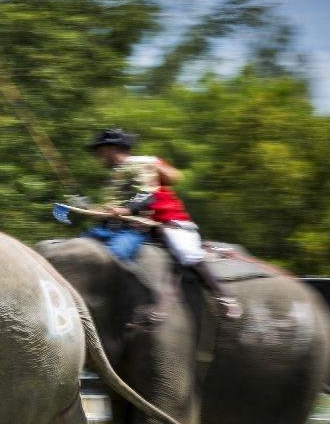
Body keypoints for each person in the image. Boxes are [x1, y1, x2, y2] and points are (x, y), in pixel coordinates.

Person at [87, 128, 241, 318]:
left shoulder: (143, 163)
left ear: (113, 148)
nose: (98, 156)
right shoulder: (116, 176)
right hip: (140, 226)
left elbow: (173, 178)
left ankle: (224, 297)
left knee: (187, 254)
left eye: (100, 151)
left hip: (169, 221)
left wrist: (153, 166)